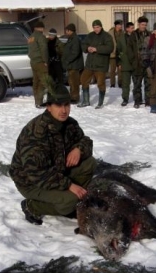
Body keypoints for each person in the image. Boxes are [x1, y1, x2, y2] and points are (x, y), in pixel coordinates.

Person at [9, 83, 96, 225]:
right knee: (70, 200)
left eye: (66, 105)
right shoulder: (36, 132)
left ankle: (68, 200)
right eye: (58, 105)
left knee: (90, 163)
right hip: (31, 182)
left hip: (56, 171)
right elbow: (37, 173)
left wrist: (78, 149)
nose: (64, 110)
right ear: (49, 107)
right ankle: (32, 206)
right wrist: (68, 185)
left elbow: (85, 141)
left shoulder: (70, 124)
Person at [78, 20, 113, 109]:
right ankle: (86, 101)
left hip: (101, 65)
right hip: (90, 64)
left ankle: (100, 103)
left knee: (100, 83)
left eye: (97, 27)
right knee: (83, 79)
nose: (96, 29)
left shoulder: (106, 36)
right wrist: (87, 48)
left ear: (101, 27)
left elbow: (110, 48)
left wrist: (97, 49)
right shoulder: (90, 35)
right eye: (94, 27)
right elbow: (83, 44)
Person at [128, 16, 151, 108]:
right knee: (137, 84)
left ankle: (148, 100)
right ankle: (137, 100)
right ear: (138, 24)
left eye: (145, 25)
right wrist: (133, 60)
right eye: (142, 24)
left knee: (148, 83)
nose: (144, 26)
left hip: (147, 63)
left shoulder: (149, 34)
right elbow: (129, 49)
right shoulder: (133, 35)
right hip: (137, 63)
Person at [28, 21, 49, 108]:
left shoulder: (31, 37)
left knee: (36, 82)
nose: (43, 30)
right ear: (40, 28)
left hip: (33, 62)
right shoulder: (40, 36)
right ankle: (40, 101)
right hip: (40, 62)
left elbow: (29, 50)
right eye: (43, 28)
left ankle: (37, 101)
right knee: (44, 82)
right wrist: (45, 61)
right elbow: (44, 49)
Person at [61, 23, 83, 104]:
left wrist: (67, 60)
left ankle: (75, 98)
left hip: (74, 65)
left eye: (67, 31)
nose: (66, 32)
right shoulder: (71, 38)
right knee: (71, 82)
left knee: (74, 82)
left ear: (70, 31)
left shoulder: (75, 39)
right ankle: (72, 96)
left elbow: (75, 52)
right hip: (71, 65)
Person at [116, 22, 135, 106]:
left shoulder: (136, 37)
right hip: (125, 63)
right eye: (131, 28)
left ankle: (137, 98)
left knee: (136, 83)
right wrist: (119, 63)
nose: (132, 29)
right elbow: (118, 51)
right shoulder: (121, 38)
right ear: (127, 29)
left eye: (133, 28)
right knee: (125, 83)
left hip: (135, 63)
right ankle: (125, 98)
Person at [108, 19, 123, 87]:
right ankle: (112, 83)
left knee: (120, 69)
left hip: (120, 54)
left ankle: (120, 83)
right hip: (112, 54)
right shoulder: (110, 33)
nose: (121, 26)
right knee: (112, 70)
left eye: (121, 25)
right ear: (116, 25)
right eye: (119, 25)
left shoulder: (123, 33)